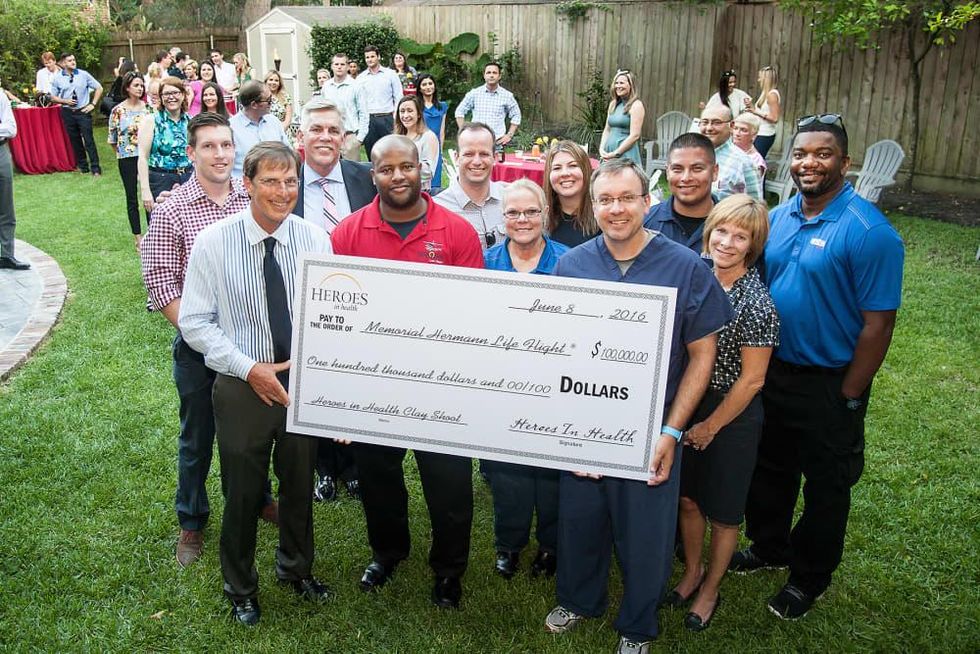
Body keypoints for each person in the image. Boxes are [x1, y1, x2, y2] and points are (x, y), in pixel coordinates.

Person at [542, 159, 730, 654]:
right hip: (585, 420)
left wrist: (672, 432)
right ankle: (579, 599)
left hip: (653, 427)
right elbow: (556, 348)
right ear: (593, 206)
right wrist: (564, 427)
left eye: (627, 198)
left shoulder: (686, 267)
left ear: (648, 202)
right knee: (580, 518)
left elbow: (702, 354)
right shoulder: (572, 265)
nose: (617, 209)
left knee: (646, 530)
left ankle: (637, 624)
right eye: (606, 199)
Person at [731, 114, 904, 620]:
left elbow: (878, 326)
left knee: (827, 485)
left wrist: (849, 395)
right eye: (801, 153)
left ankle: (809, 576)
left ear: (844, 163)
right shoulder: (779, 216)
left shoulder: (870, 232)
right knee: (770, 468)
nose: (809, 162)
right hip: (773, 371)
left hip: (831, 380)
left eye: (823, 154)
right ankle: (769, 547)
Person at [178, 141, 332, 626]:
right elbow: (195, 322)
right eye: (270, 181)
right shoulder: (213, 242)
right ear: (246, 184)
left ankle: (297, 569)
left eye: (290, 181)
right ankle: (241, 587)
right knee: (244, 492)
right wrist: (248, 369)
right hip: (241, 382)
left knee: (299, 483)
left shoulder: (315, 239)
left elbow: (330, 313)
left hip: (300, 381)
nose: (282, 191)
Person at [330, 134, 484, 610]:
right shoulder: (348, 233)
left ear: (423, 169)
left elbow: (476, 313)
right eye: (386, 169)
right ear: (372, 175)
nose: (398, 176)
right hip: (374, 381)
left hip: (441, 382)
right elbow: (334, 316)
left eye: (407, 167)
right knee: (378, 477)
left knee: (449, 482)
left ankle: (449, 569)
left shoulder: (457, 232)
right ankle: (387, 552)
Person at [140, 112, 279, 569]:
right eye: (209, 146)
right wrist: (204, 337)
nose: (220, 154)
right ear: (191, 153)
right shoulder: (172, 210)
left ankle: (259, 497)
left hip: (252, 344)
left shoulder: (250, 196)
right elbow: (161, 284)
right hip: (198, 349)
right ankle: (192, 520)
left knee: (253, 432)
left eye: (226, 145)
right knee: (197, 437)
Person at [670, 194, 779, 633]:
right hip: (690, 400)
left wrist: (710, 427)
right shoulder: (695, 278)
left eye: (740, 237)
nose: (727, 243)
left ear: (753, 246)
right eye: (721, 231)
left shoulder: (757, 303)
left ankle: (711, 589)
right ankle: (692, 571)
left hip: (731, 414)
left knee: (724, 511)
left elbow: (753, 380)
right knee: (687, 498)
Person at [483, 179, 568, 579]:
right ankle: (509, 544)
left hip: (554, 381)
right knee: (507, 470)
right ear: (502, 218)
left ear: (545, 214)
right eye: (513, 212)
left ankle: (551, 545)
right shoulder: (485, 263)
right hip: (502, 381)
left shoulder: (569, 262)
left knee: (552, 471)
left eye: (531, 211)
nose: (522, 219)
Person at [292, 97, 375, 501]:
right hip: (304, 299)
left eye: (333, 130)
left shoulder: (367, 178)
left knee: (357, 379)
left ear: (344, 138)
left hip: (363, 298)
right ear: (301, 136)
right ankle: (324, 467)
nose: (325, 137)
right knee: (315, 380)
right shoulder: (285, 180)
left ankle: (356, 467)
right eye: (316, 129)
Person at [433, 122, 508, 250]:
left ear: (495, 157)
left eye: (484, 154)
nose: (477, 161)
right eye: (469, 154)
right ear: (456, 157)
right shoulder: (437, 208)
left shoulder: (510, 199)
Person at [643, 132, 719, 254]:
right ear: (667, 172)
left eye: (697, 169)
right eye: (677, 169)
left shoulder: (734, 225)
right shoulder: (645, 223)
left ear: (714, 172)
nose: (686, 178)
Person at [107, 72, 153, 248]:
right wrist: (122, 153)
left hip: (147, 157)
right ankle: (137, 236)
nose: (140, 88)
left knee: (148, 194)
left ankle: (152, 231)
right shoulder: (117, 111)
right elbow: (112, 138)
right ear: (127, 87)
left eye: (142, 85)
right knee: (131, 197)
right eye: (136, 85)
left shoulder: (149, 109)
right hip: (127, 158)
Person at [138, 77, 192, 213]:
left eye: (175, 92)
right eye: (166, 94)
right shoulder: (151, 121)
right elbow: (143, 157)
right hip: (160, 180)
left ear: (183, 95)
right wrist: (145, 190)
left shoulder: (191, 122)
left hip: (188, 178)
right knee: (161, 222)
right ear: (161, 98)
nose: (171, 97)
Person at [48, 52, 103, 176]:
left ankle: (95, 168)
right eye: (69, 60)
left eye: (74, 60)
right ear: (63, 63)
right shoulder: (57, 78)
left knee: (88, 140)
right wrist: (65, 101)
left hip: (83, 111)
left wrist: (92, 104)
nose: (73, 62)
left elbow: (99, 88)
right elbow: (52, 97)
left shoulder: (84, 75)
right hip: (67, 112)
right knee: (75, 140)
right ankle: (83, 167)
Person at [699, 105, 762, 201]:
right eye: (705, 122)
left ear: (731, 125)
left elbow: (756, 203)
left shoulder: (744, 162)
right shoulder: (691, 155)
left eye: (716, 122)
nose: (709, 128)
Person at [230, 80, 289, 178]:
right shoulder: (230, 129)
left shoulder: (274, 122)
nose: (272, 103)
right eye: (268, 100)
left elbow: (288, 153)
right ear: (254, 105)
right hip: (244, 185)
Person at [543, 141, 597, 248]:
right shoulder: (539, 218)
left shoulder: (602, 215)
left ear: (586, 170)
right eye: (557, 168)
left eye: (573, 166)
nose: (565, 173)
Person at [455, 62, 522, 146]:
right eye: (488, 72)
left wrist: (509, 135)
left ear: (499, 76)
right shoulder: (474, 94)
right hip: (476, 140)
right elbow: (459, 111)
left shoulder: (507, 96)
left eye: (494, 73)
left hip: (497, 142)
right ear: (484, 75)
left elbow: (516, 115)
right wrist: (464, 132)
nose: (491, 75)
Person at [318, 53, 368, 162]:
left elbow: (363, 113)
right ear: (332, 66)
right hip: (330, 135)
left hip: (349, 137)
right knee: (330, 168)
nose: (339, 67)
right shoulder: (326, 87)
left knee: (352, 170)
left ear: (347, 67)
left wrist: (359, 139)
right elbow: (323, 110)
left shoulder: (356, 86)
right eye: (336, 64)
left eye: (342, 64)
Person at [0, 82, 29, 269]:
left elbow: (11, 128)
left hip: (1, 151)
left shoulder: (0, 96)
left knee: (6, 208)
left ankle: (6, 255)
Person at [356, 44, 402, 159]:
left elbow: (398, 97)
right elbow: (357, 101)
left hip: (387, 118)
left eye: (372, 56)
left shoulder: (390, 74)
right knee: (372, 154)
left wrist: (395, 118)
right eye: (367, 57)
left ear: (378, 57)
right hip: (369, 120)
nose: (370, 59)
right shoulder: (360, 78)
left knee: (391, 153)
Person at [394, 95, 439, 192]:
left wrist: (404, 165)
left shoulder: (429, 137)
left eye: (410, 111)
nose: (405, 115)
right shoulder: (396, 138)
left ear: (419, 114)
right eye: (402, 111)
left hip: (419, 192)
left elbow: (428, 172)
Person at [600, 70, 644, 165]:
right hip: (609, 152)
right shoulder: (613, 104)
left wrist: (616, 153)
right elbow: (607, 130)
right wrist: (602, 149)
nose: (618, 86)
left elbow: (635, 135)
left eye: (622, 83)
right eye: (616, 83)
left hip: (625, 153)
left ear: (631, 85)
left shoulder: (636, 105)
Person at [417, 73, 448, 192]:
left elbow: (442, 131)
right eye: (424, 84)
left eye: (430, 83)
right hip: (421, 145)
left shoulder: (442, 106)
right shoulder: (417, 106)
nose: (428, 87)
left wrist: (440, 152)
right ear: (420, 88)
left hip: (436, 148)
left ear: (434, 86)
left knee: (435, 182)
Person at [744, 66, 781, 159]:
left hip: (766, 134)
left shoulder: (772, 95)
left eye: (760, 77)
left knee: (756, 161)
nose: (758, 80)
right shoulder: (765, 93)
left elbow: (775, 118)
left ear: (766, 79)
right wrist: (751, 107)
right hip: (760, 132)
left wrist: (755, 112)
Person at [732, 113, 767, 178]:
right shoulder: (728, 149)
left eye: (743, 130)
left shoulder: (756, 161)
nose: (737, 133)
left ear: (754, 135)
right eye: (735, 128)